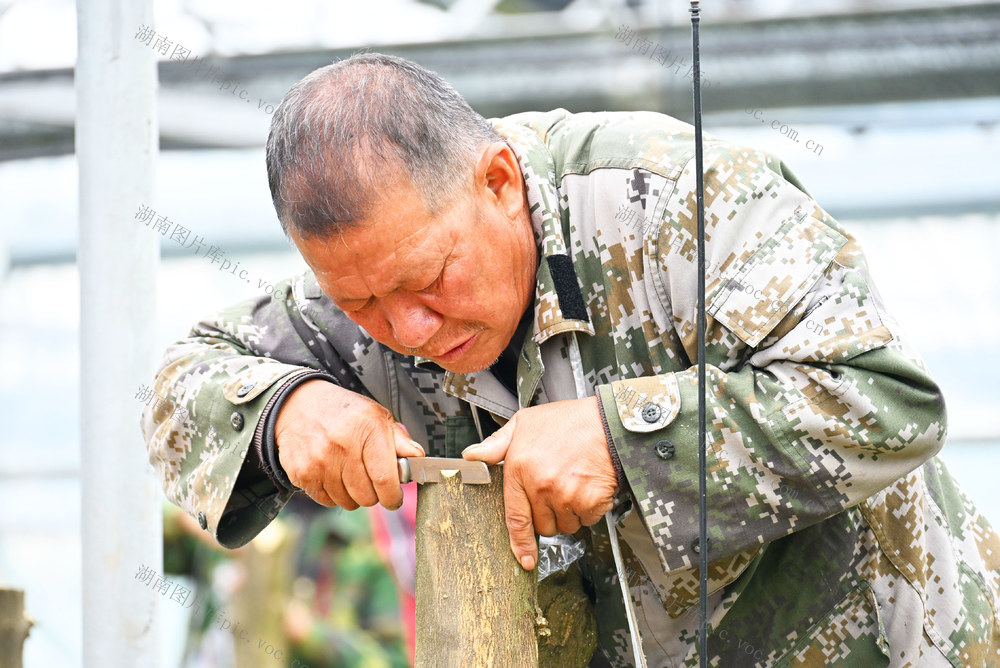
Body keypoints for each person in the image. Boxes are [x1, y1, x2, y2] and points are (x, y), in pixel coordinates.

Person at [141, 52, 1000, 666]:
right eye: (361, 300)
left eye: (430, 276)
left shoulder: (682, 204)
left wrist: (620, 440)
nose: (405, 326)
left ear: (501, 183)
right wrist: (284, 410)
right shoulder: (374, 291)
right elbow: (179, 386)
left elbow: (882, 401)